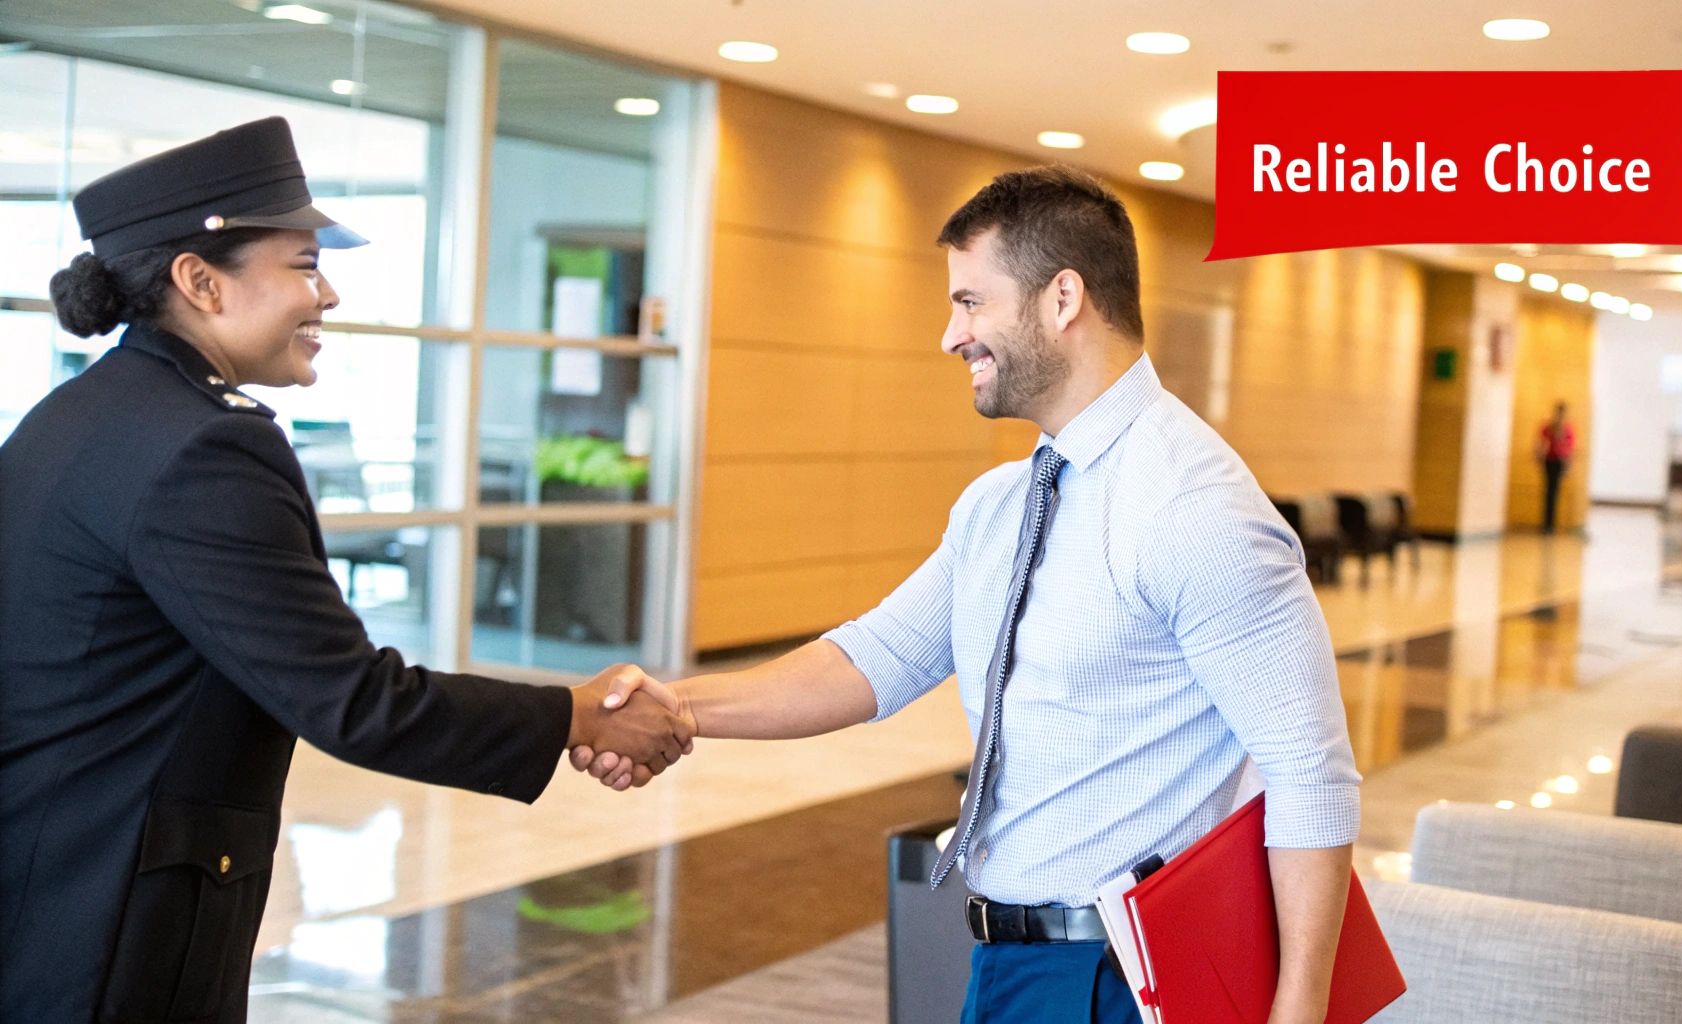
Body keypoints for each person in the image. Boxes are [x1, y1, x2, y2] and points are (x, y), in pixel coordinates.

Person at [577, 167, 1361, 1024]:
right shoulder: (1004, 504)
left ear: (1064, 297)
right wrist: (673, 707)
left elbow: (1309, 774)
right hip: (1005, 957)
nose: (951, 335)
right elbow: (874, 658)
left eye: (971, 302)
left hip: (1121, 981)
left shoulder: (1193, 508)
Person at [0, 117, 692, 1024]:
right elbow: (351, 701)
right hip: (113, 910)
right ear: (200, 281)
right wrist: (571, 713)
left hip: (52, 871)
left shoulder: (82, 414)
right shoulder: (204, 449)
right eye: (301, 263)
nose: (326, 293)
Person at [1536, 401, 1576, 533]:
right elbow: (1541, 443)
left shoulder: (1567, 429)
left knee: (1555, 492)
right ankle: (1546, 524)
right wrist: (1539, 455)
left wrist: (1568, 465)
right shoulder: (1548, 427)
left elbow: (1569, 449)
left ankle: (1551, 525)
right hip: (1549, 461)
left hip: (1560, 462)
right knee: (1549, 492)